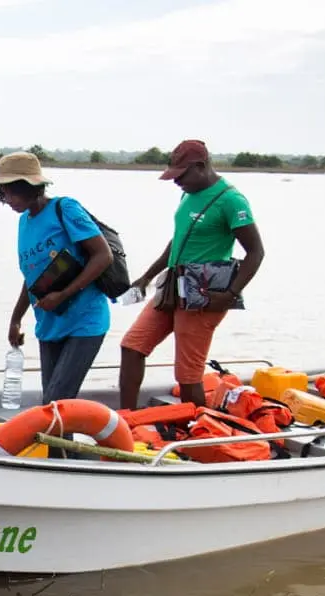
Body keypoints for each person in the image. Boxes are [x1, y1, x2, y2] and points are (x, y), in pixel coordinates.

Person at [118, 140, 266, 410]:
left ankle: (199, 430)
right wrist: (147, 277)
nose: (176, 182)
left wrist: (229, 294)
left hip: (203, 294)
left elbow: (255, 253)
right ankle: (127, 418)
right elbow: (178, 241)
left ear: (201, 167)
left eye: (180, 175)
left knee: (187, 374)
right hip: (174, 286)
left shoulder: (230, 200)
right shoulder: (187, 194)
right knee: (132, 346)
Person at [0, 152, 114, 405]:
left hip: (83, 321)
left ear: (31, 187)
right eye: (3, 194)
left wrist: (63, 295)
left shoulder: (64, 208)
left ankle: (65, 445)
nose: (8, 200)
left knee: (57, 403)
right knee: (53, 406)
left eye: (12, 192)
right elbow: (33, 275)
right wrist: (15, 319)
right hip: (48, 324)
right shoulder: (24, 221)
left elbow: (103, 256)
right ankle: (62, 447)